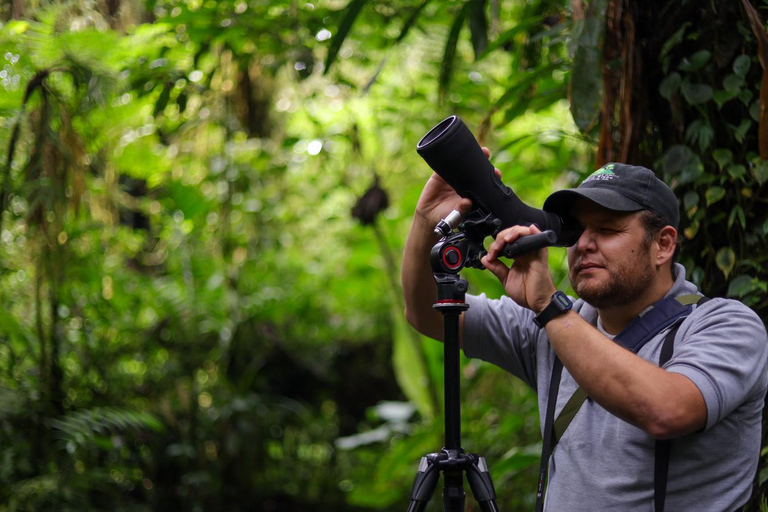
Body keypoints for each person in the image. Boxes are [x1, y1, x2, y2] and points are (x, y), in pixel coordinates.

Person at [401, 160, 768, 511]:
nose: (585, 245)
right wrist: (425, 221)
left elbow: (668, 410)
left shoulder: (725, 324)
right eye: (576, 232)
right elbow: (426, 312)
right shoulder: (558, 325)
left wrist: (548, 307)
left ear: (663, 245)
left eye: (607, 230)